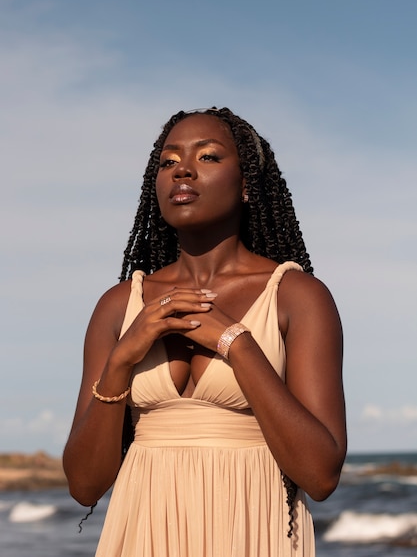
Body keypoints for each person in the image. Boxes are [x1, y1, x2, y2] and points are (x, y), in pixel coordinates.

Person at [63, 107, 346, 557]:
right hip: (144, 534)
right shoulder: (119, 306)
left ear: (248, 184)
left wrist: (236, 342)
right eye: (168, 161)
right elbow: (83, 484)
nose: (183, 170)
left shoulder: (296, 296)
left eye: (209, 157)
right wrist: (121, 359)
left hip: (251, 532)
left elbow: (320, 474)